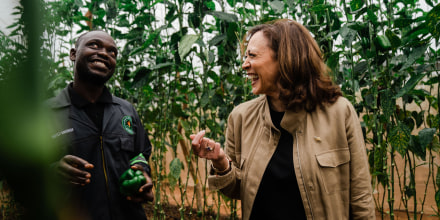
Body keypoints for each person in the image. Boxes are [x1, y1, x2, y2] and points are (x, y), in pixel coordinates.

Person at [190, 19, 375, 219]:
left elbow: (361, 197)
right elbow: (239, 190)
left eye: (252, 55)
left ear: (285, 59)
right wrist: (221, 163)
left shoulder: (339, 113)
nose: (244, 65)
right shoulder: (241, 117)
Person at [46, 30, 154, 220]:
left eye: (112, 52)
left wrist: (141, 172)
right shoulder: (47, 114)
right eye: (94, 45)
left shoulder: (126, 110)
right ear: (73, 54)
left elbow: (141, 153)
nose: (105, 53)